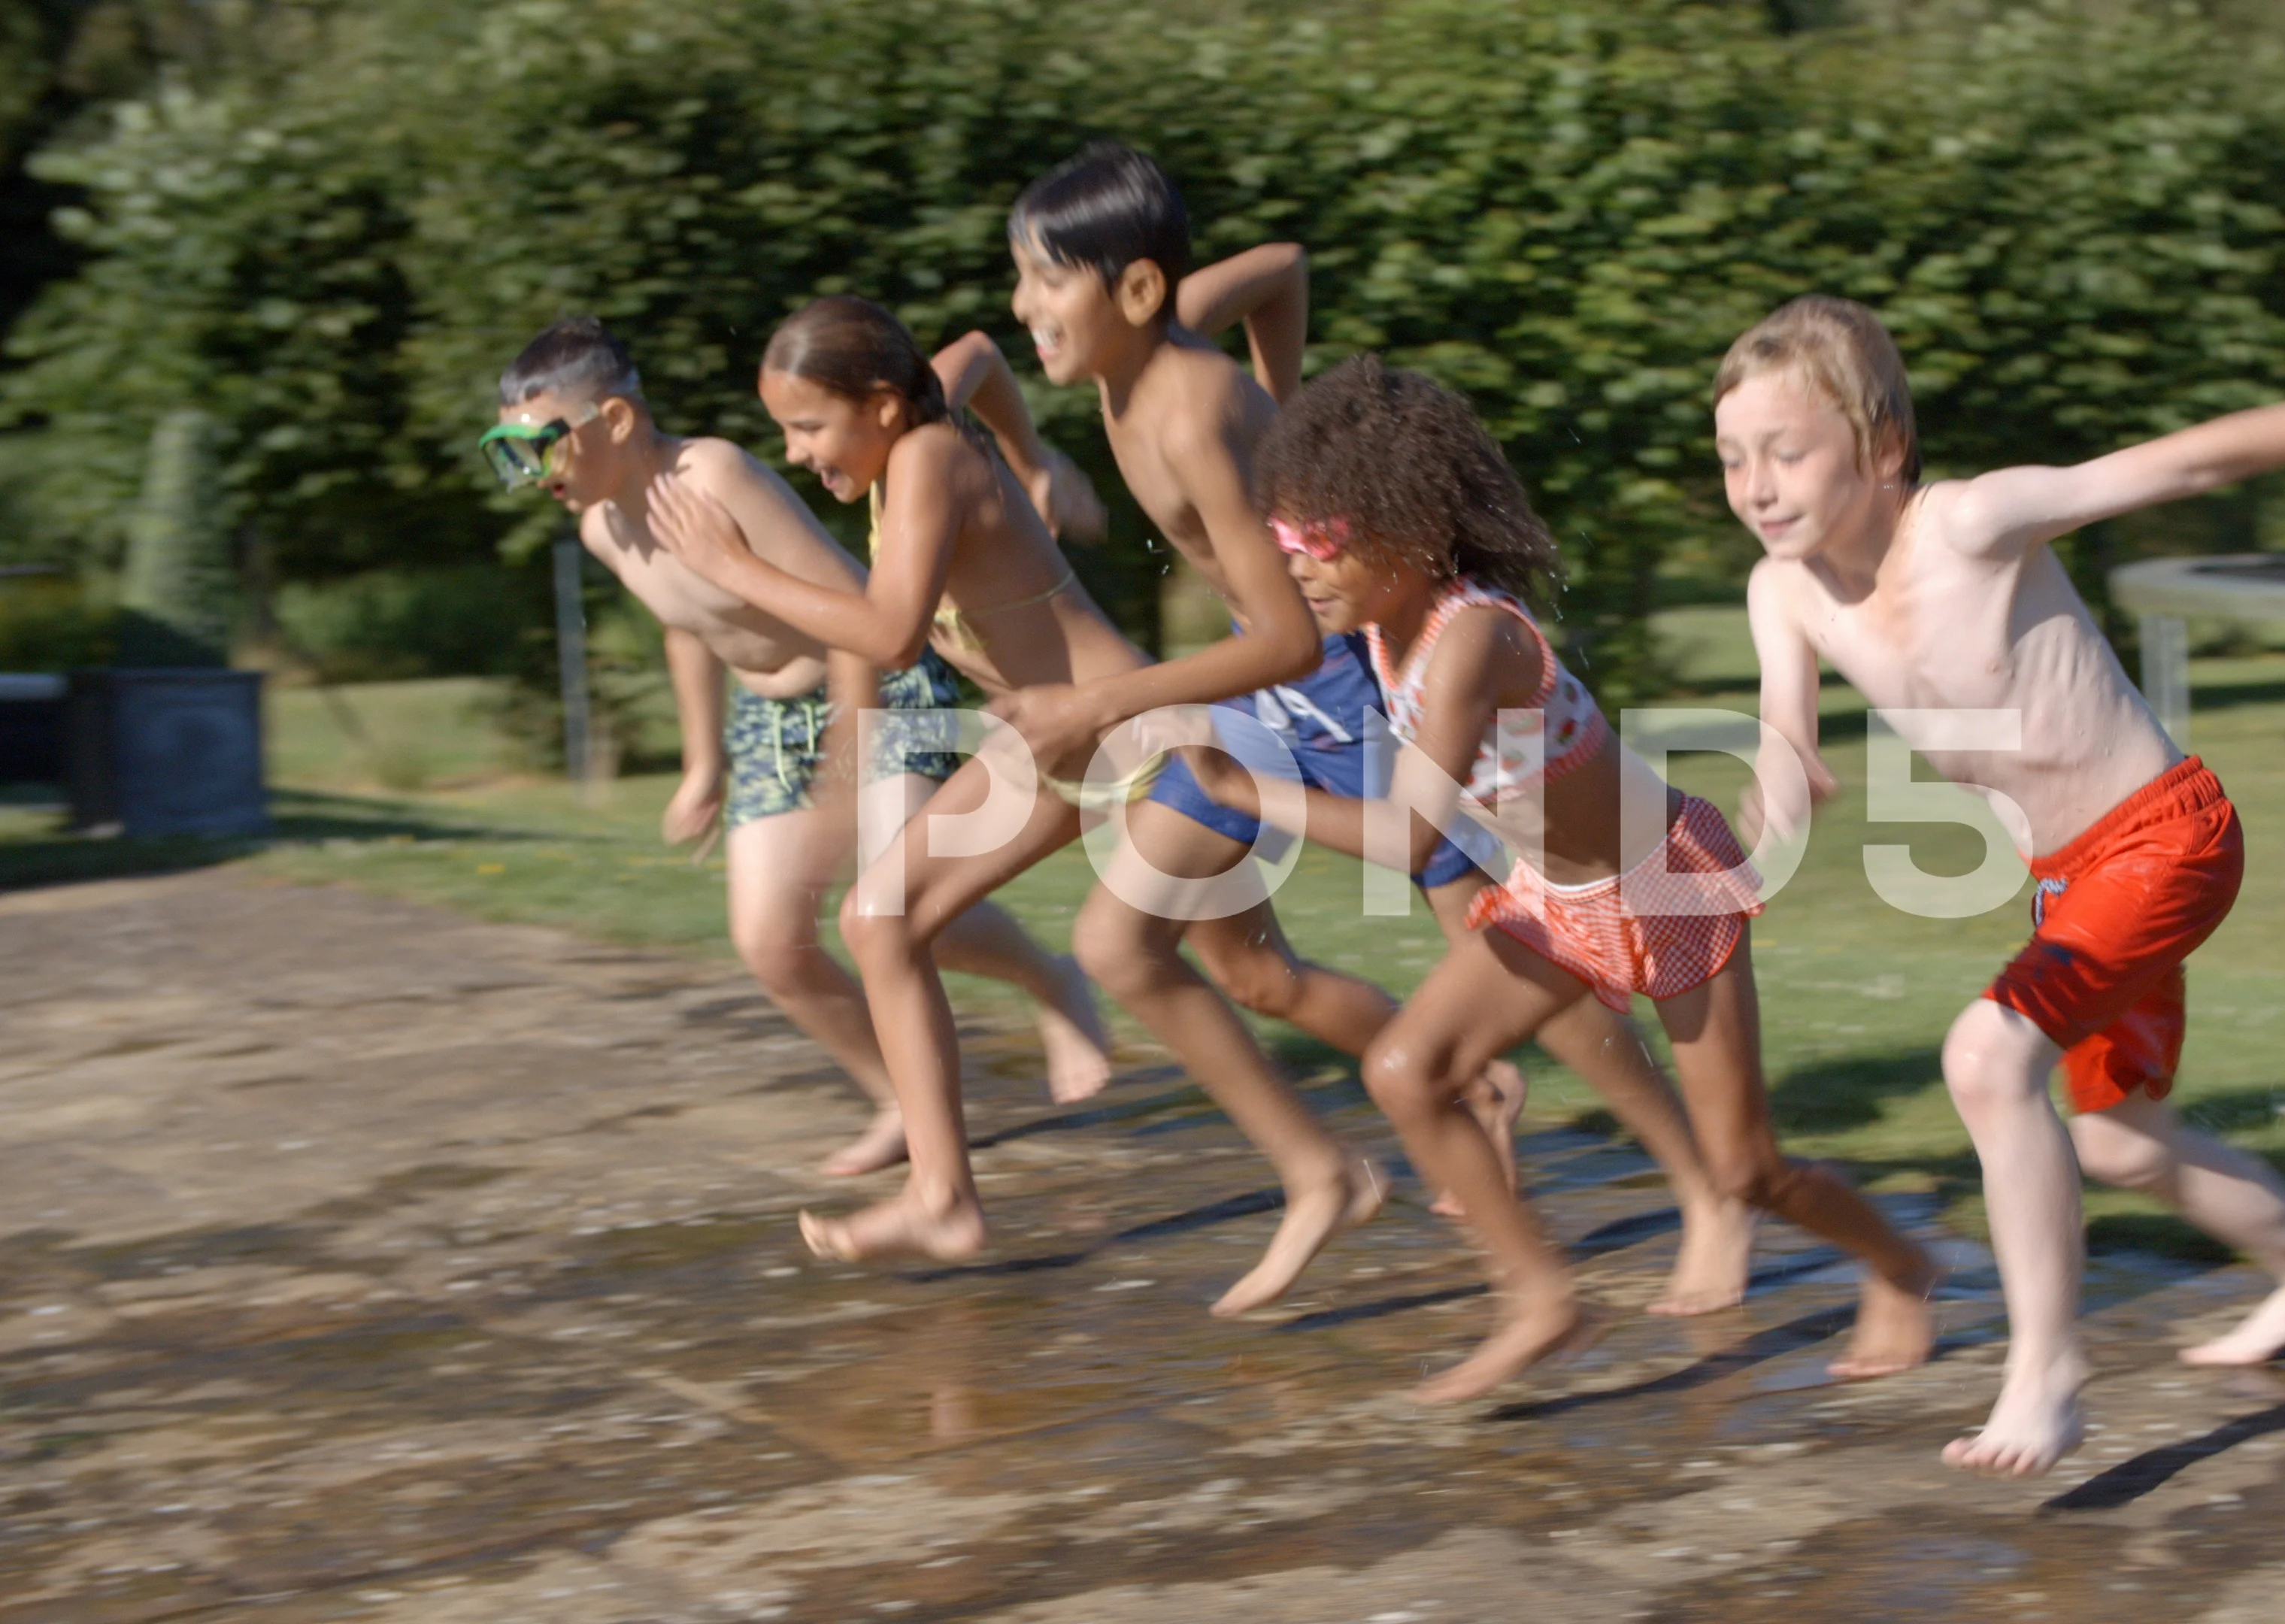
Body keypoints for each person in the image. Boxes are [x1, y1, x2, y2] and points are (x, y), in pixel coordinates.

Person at [1713, 297, 2285, 1477]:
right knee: (2117, 1144)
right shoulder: (1783, 591)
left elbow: (2192, 460)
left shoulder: (1969, 523)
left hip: (2169, 839)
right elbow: (1785, 743)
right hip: (2072, 880)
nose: (1755, 482)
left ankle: (2048, 1371)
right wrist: (1768, 808)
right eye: (1734, 457)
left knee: (1987, 1058)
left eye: (1785, 450)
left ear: (1883, 447)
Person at [950, 144, 1753, 1309]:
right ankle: (1323, 1169)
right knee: (1123, 944)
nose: (1023, 307)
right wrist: (1294, 426)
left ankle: (1705, 1188)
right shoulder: (1162, 335)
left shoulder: (1183, 411)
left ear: (1128, 292)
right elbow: (1282, 266)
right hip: (1259, 694)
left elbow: (1285, 637)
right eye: (1018, 277)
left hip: (1342, 680)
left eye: (1043, 281)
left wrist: (1102, 701)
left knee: (1524, 949)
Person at [1186, 354, 1937, 1401]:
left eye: (1322, 543)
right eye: (1285, 540)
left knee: (1747, 1172)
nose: (1299, 566)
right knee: (1407, 1071)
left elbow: (1412, 836)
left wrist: (1242, 789)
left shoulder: (1472, 641)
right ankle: (1543, 1299)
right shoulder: (1374, 627)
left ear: (1407, 528)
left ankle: (1903, 1265)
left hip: (1665, 888)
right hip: (1556, 901)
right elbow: (1267, 645)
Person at [648, 294, 1380, 1306]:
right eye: (783, 429)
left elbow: (890, 632)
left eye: (809, 427)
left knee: (1254, 980)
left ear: (879, 406)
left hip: (1124, 740)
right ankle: (945, 1197)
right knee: (880, 917)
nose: (798, 452)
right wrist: (1037, 460)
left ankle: (1416, 1098)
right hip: (1041, 745)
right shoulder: (916, 409)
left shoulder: (929, 460)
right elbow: (986, 354)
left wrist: (730, 566)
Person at [479, 317, 1110, 1179]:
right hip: (768, 715)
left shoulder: (714, 476)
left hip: (877, 685)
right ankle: (898, 1099)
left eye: (540, 445)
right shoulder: (603, 528)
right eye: (510, 451)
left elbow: (859, 621)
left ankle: (1052, 981)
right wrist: (704, 763)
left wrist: (846, 771)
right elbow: (688, 627)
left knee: (918, 910)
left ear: (616, 422)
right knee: (774, 944)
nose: (530, 472)